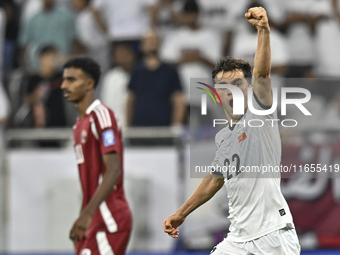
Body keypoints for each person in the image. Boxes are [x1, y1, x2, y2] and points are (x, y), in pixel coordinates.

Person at [163, 7, 301, 254]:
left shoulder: (261, 114)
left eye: (238, 84)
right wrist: (180, 214)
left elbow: (262, 73)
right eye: (224, 86)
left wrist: (263, 31)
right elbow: (215, 178)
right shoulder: (223, 136)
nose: (232, 91)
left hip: (273, 236)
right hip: (238, 238)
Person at [61, 57, 132, 255]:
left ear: (90, 84)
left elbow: (113, 169)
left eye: (72, 79)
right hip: (94, 219)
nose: (64, 85)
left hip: (109, 218)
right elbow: (90, 184)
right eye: (64, 79)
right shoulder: (79, 124)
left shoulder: (102, 116)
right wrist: (83, 218)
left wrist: (87, 215)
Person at [126, 30, 186, 127]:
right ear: (142, 45)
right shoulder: (136, 71)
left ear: (160, 44)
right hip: (139, 128)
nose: (152, 44)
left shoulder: (170, 71)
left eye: (154, 40)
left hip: (164, 128)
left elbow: (179, 100)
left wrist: (176, 126)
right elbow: (130, 100)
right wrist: (128, 126)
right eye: (149, 41)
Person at [100, 43, 136, 129]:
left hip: (132, 126)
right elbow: (105, 103)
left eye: (125, 53)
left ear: (132, 55)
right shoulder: (110, 77)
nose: (122, 56)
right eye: (119, 54)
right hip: (112, 126)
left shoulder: (138, 75)